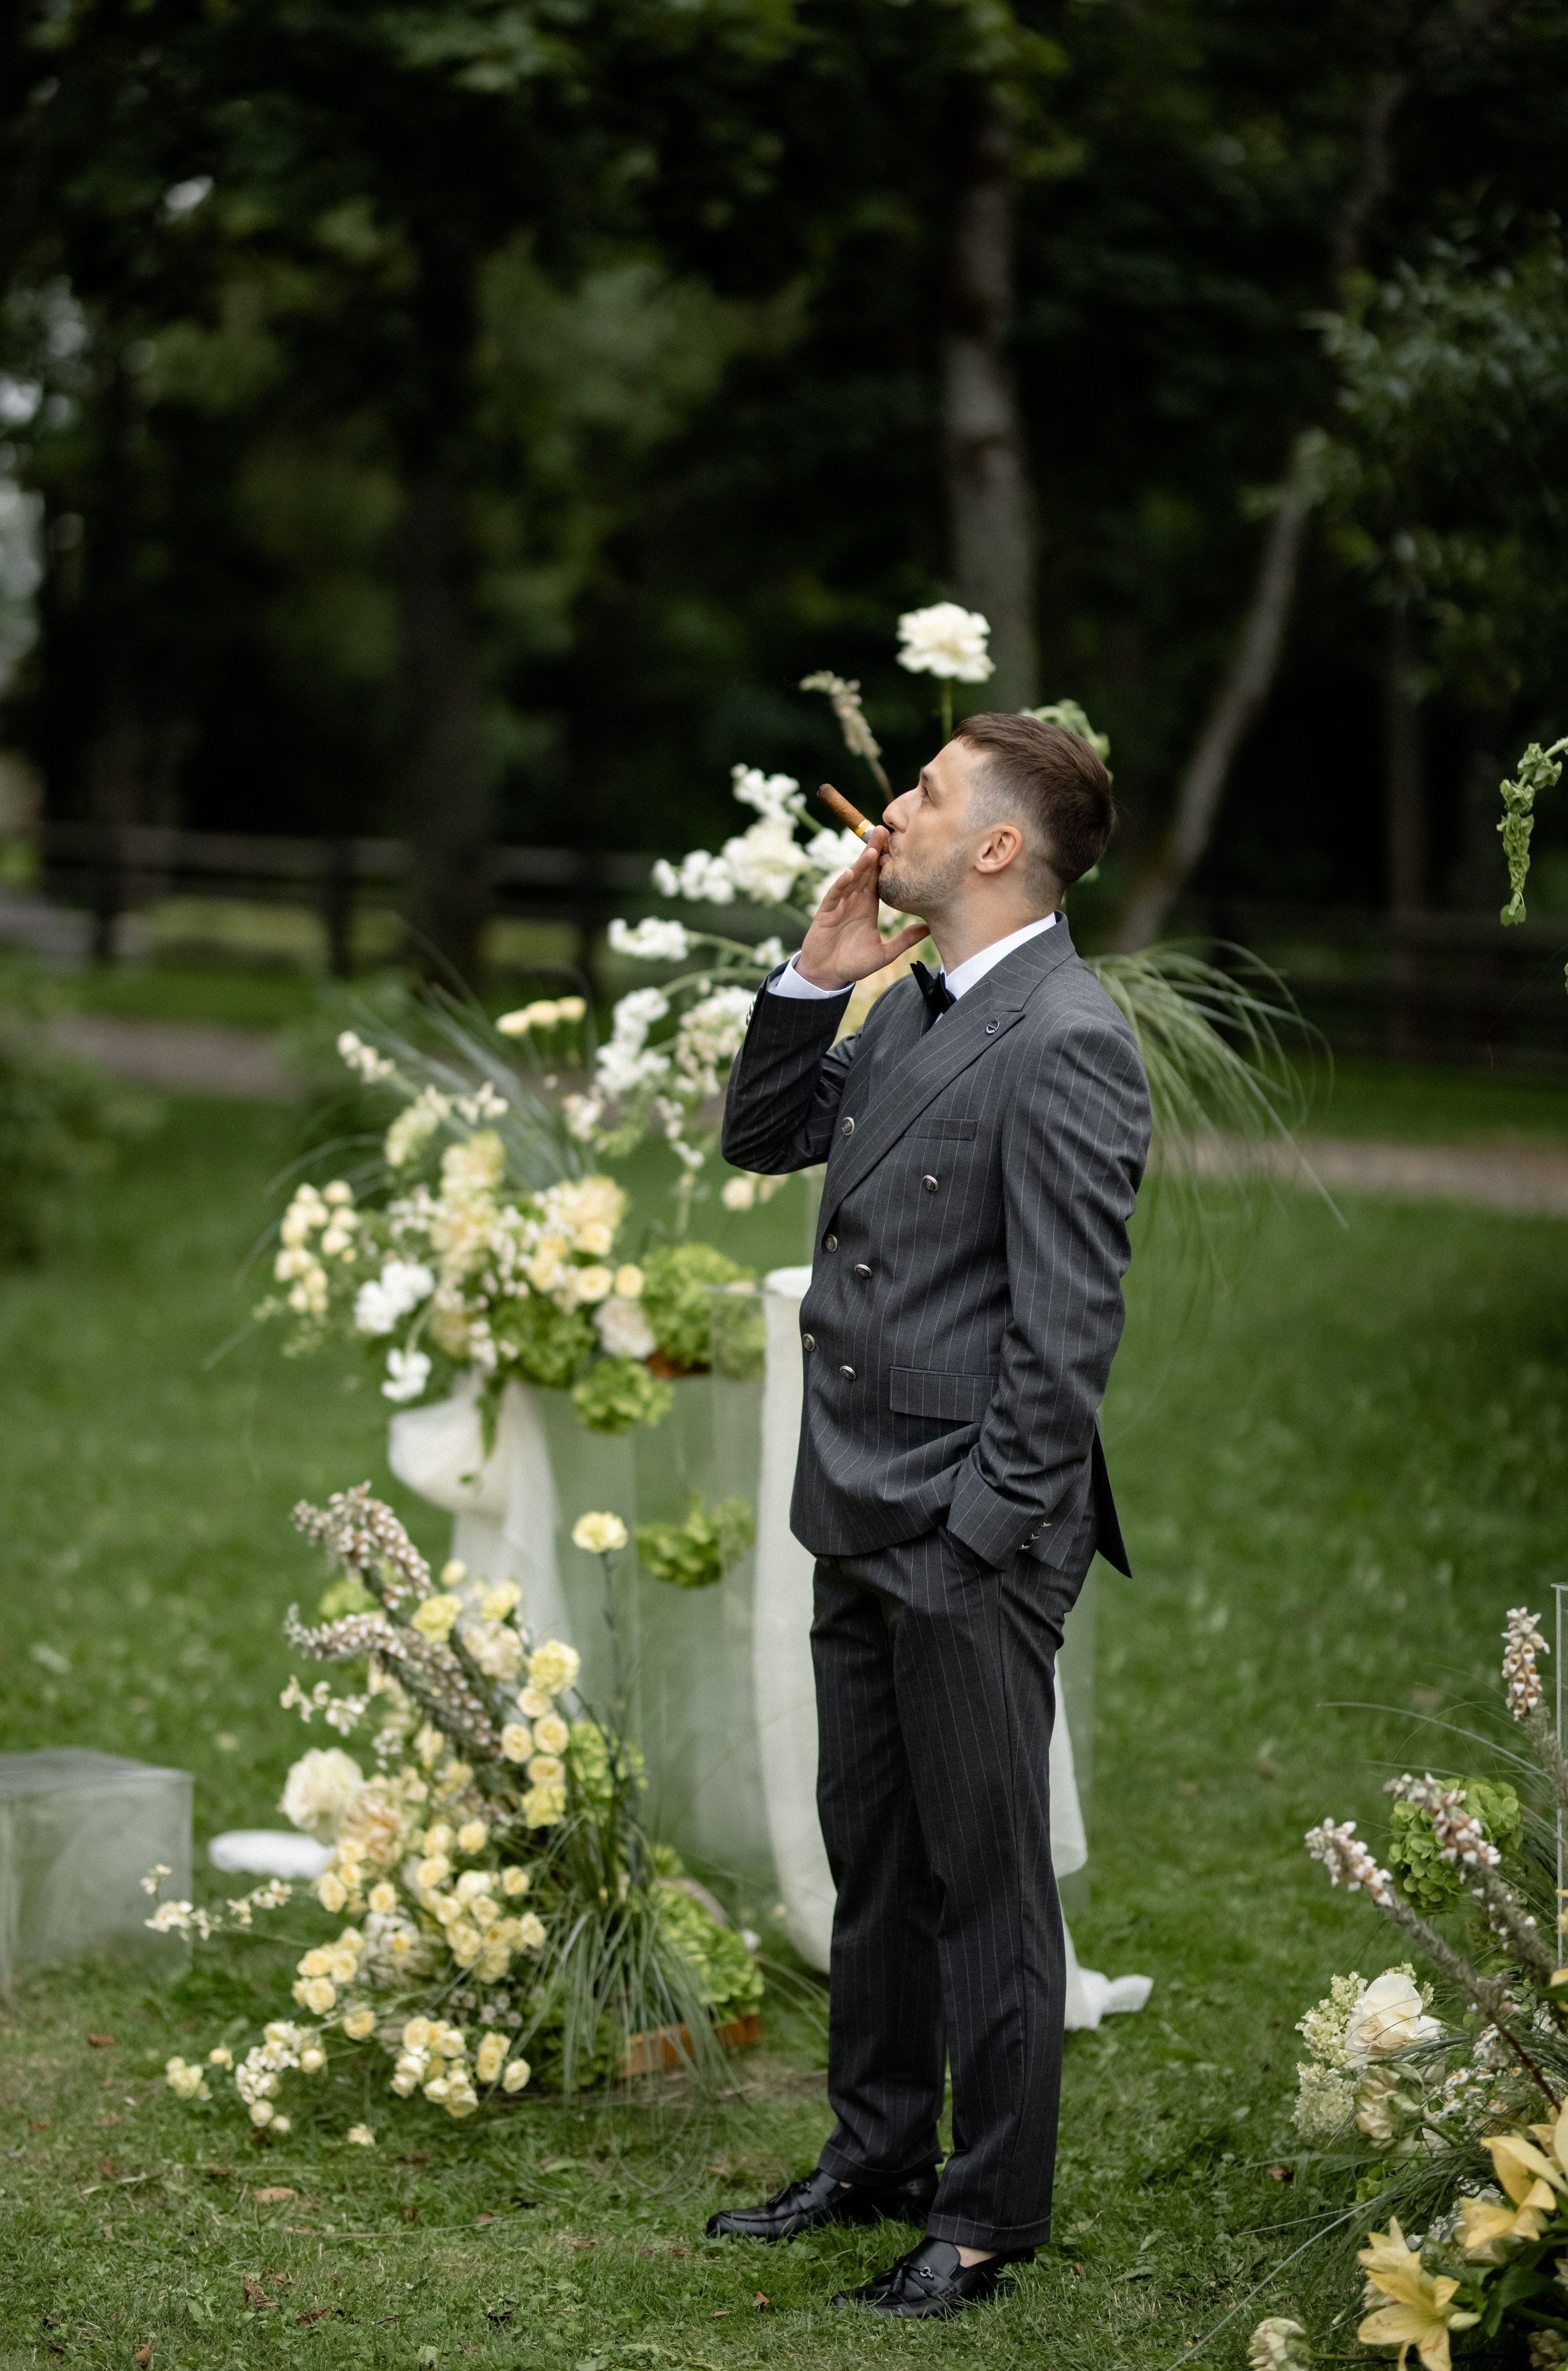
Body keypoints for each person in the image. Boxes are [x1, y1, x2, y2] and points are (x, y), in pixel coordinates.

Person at [711, 712, 1151, 2318]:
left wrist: (977, 1541)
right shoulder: (914, 1003)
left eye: (924, 793)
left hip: (968, 1533)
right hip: (857, 1504)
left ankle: (984, 2218)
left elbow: (1063, 1340)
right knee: (874, 1864)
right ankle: (877, 2156)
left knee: (985, 1880)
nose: (887, 808)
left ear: (996, 848)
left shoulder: (1069, 1038)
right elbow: (765, 1136)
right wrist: (820, 976)